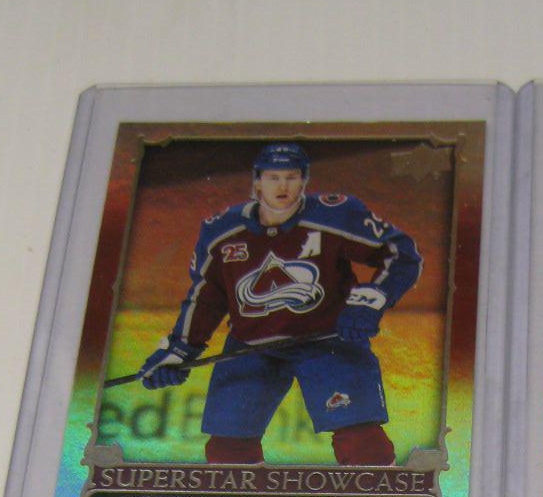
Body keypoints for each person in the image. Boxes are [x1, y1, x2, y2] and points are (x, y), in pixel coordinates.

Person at [135, 142, 422, 467]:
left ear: (303, 181)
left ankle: (380, 495)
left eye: (291, 177)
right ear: (257, 182)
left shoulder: (335, 215)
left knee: (361, 441)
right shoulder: (222, 232)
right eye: (273, 177)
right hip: (250, 345)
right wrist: (179, 350)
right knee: (227, 449)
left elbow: (400, 253)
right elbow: (207, 296)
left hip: (327, 341)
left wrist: (371, 300)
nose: (282, 186)